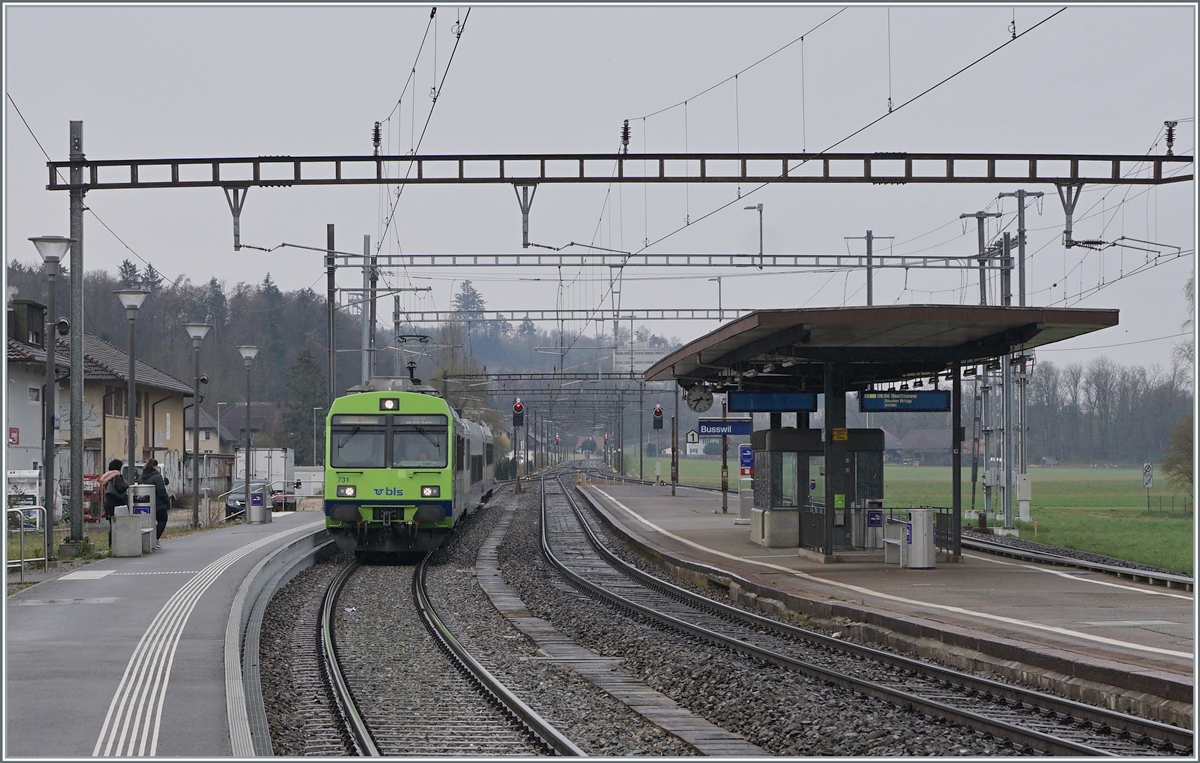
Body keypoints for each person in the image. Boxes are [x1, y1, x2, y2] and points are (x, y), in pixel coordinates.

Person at [140, 458, 170, 549]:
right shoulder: (157, 477)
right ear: (154, 466)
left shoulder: (142, 476)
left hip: (145, 504)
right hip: (158, 504)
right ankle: (154, 539)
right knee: (162, 520)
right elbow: (161, 490)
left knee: (148, 523)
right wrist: (166, 500)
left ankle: (147, 540)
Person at [99, 459, 128, 548]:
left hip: (109, 504)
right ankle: (115, 545)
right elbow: (120, 488)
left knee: (113, 525)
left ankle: (111, 545)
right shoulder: (116, 476)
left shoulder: (107, 477)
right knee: (116, 525)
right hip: (116, 504)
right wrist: (126, 485)